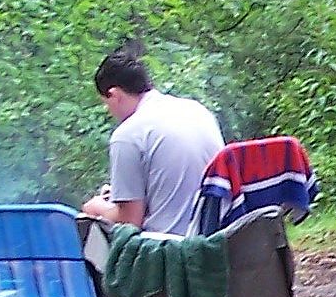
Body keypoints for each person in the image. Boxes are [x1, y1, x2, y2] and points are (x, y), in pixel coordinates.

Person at [78, 46, 226, 235]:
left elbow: (129, 222)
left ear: (114, 95)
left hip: (168, 245)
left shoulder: (128, 134)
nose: (110, 112)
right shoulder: (197, 110)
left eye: (106, 104)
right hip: (215, 238)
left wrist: (97, 208)